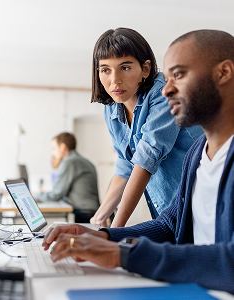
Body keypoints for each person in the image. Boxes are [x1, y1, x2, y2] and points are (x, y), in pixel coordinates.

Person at [42, 29, 234, 293]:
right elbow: (169, 225)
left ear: (223, 73)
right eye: (167, 78)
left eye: (177, 75)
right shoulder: (197, 154)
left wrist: (122, 254)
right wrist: (103, 235)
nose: (165, 90)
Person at [89, 28, 203, 227]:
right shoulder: (112, 108)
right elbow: (126, 165)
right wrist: (98, 220)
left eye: (125, 67)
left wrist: (114, 231)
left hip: (201, 206)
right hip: (169, 215)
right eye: (105, 69)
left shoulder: (165, 93)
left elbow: (146, 159)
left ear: (145, 69)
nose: (114, 80)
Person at [35, 132, 99, 223]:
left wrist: (37, 195)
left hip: (83, 213)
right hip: (91, 211)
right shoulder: (85, 161)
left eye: (54, 148)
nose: (53, 153)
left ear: (63, 147)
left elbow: (56, 195)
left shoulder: (69, 162)